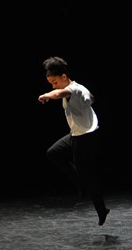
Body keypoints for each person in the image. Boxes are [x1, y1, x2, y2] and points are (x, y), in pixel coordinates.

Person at [37, 56, 110, 226]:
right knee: (54, 153)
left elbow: (59, 93)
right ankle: (80, 183)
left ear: (64, 77)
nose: (53, 86)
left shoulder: (72, 90)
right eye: (51, 84)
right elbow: (92, 98)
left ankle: (101, 209)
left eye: (55, 82)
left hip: (85, 137)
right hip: (77, 133)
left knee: (87, 175)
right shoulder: (81, 88)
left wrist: (47, 95)